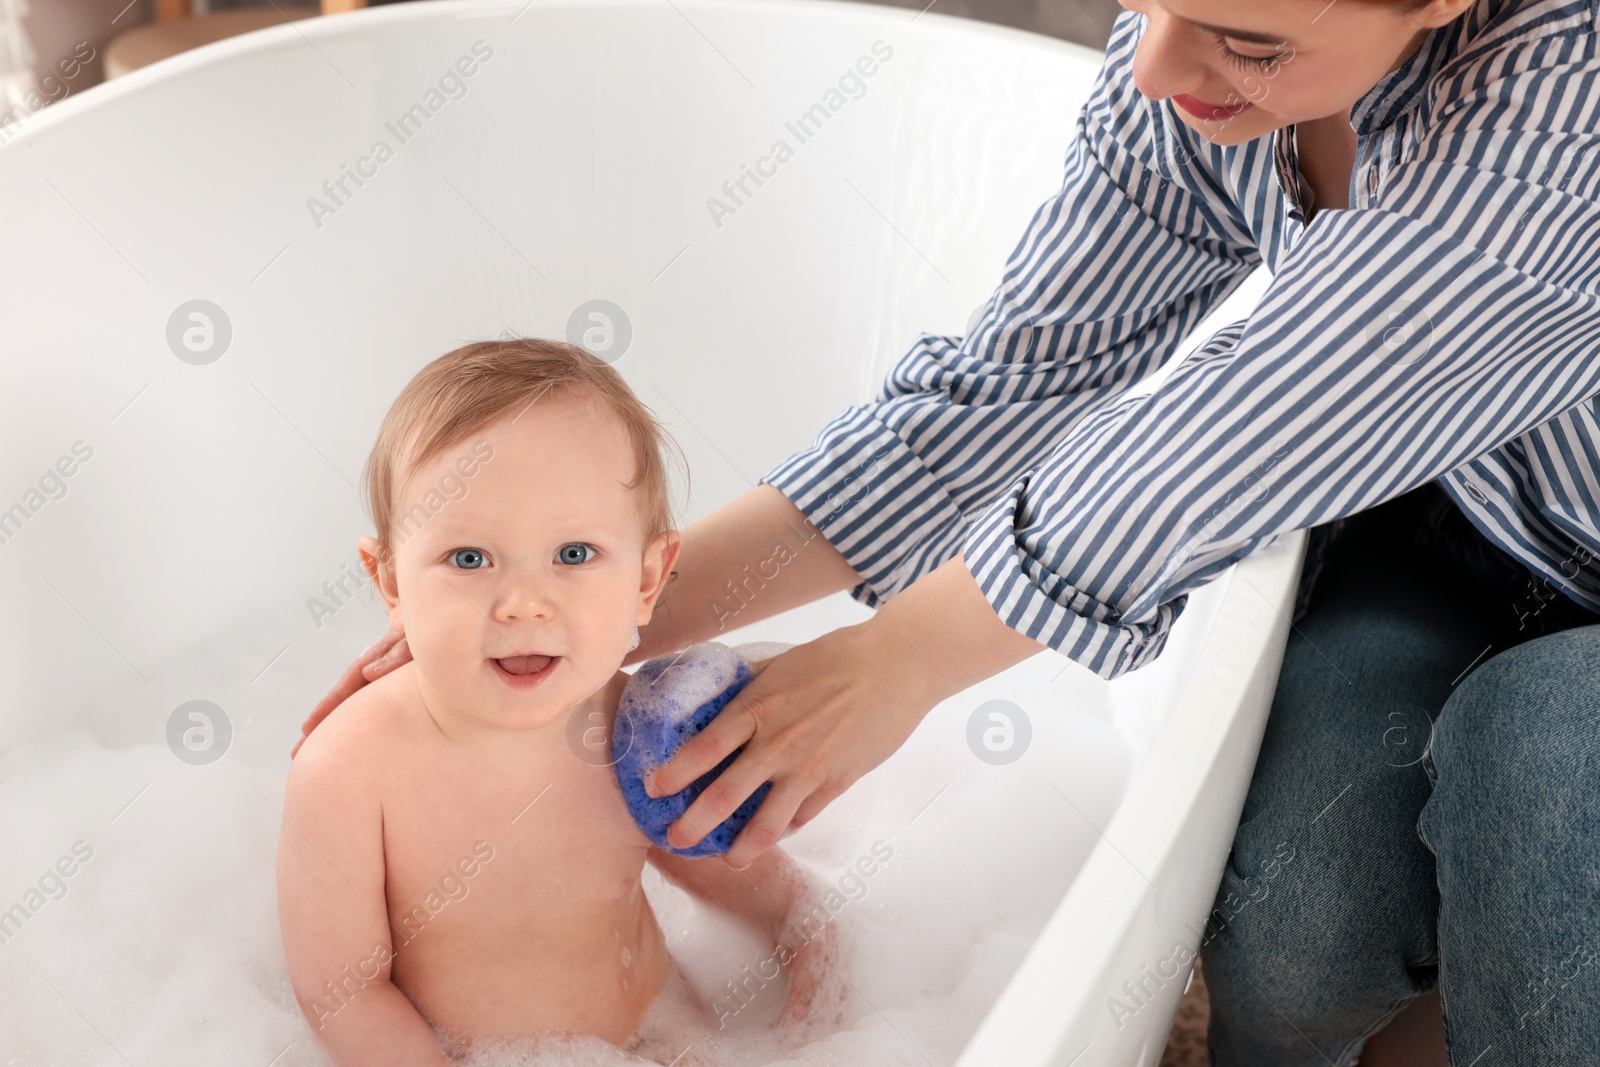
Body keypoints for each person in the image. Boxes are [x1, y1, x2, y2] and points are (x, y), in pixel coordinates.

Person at [299, 0, 1600, 1061]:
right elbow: (1012, 377)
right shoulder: (1193, 47)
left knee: (1532, 809)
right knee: (1294, 921)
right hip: (1430, 522)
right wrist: (597, 608)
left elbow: (1207, 447)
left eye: (1244, 42)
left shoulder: (1558, 135)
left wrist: (895, 659)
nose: (1151, 68)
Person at [280, 340, 832, 1066]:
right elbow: (343, 994)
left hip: (665, 1036)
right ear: (389, 583)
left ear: (648, 576)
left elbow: (751, 885)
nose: (524, 604)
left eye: (573, 554)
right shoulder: (348, 770)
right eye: (470, 559)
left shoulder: (640, 732)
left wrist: (811, 964)